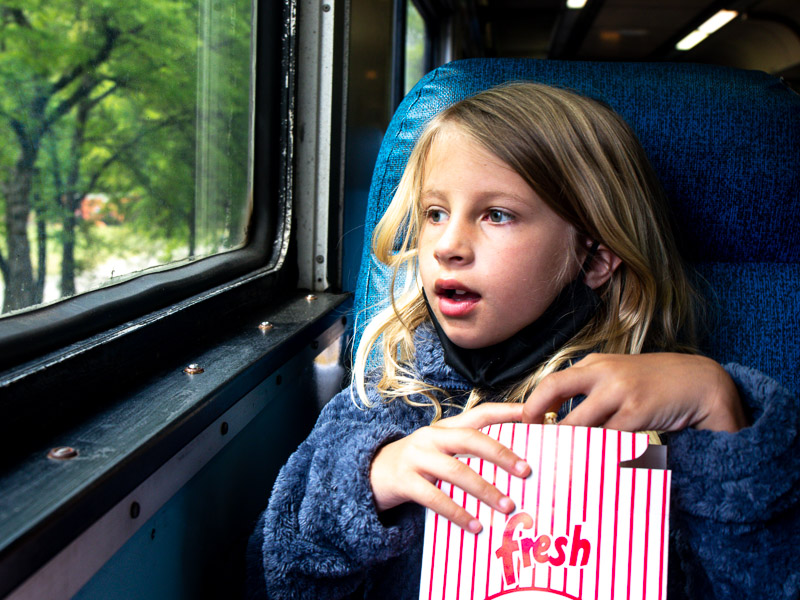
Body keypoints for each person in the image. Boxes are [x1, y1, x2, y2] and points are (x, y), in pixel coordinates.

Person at [247, 83, 799, 599]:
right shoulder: (385, 399)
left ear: (595, 257)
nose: (447, 245)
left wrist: (717, 405)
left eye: (497, 214)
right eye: (435, 213)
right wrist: (370, 482)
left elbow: (758, 583)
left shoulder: (659, 410)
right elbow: (272, 578)